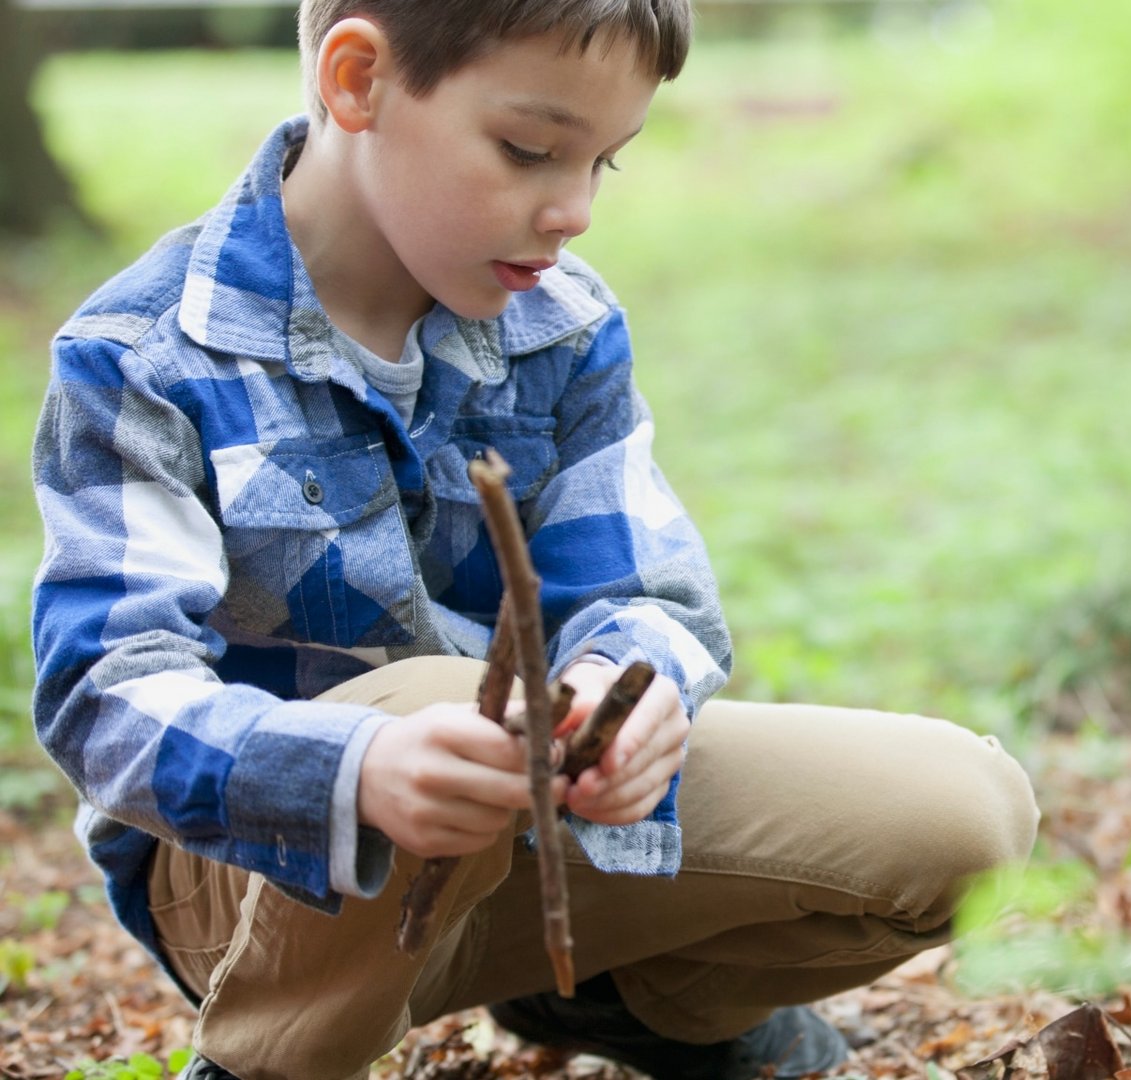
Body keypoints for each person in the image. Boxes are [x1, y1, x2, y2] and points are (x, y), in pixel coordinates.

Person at [28, 2, 1039, 1077]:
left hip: (526, 836)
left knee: (963, 815)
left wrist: (626, 686)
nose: (574, 210)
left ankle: (624, 1007)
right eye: (530, 150)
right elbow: (103, 693)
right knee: (433, 705)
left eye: (607, 161)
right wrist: (358, 769)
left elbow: (645, 591)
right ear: (358, 81)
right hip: (255, 885)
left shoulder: (564, 325)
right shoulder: (141, 356)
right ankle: (271, 1060)